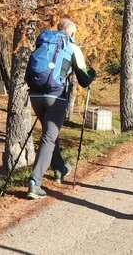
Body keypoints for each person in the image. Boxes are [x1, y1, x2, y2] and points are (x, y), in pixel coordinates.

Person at [25, 18, 96, 200]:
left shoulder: (44, 43)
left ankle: (59, 168)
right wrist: (92, 74)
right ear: (71, 32)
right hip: (56, 96)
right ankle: (35, 183)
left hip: (35, 95)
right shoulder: (72, 47)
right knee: (49, 138)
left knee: (51, 135)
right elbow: (84, 80)